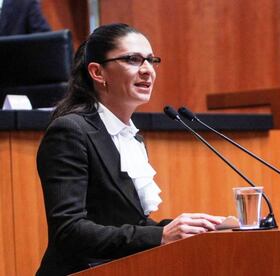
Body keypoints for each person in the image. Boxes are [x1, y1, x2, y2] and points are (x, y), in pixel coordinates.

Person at [36, 23, 223, 276]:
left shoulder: (129, 135)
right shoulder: (70, 131)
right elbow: (68, 230)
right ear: (97, 72)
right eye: (133, 60)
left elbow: (126, 223)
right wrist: (161, 235)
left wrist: (189, 228)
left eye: (151, 60)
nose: (147, 70)